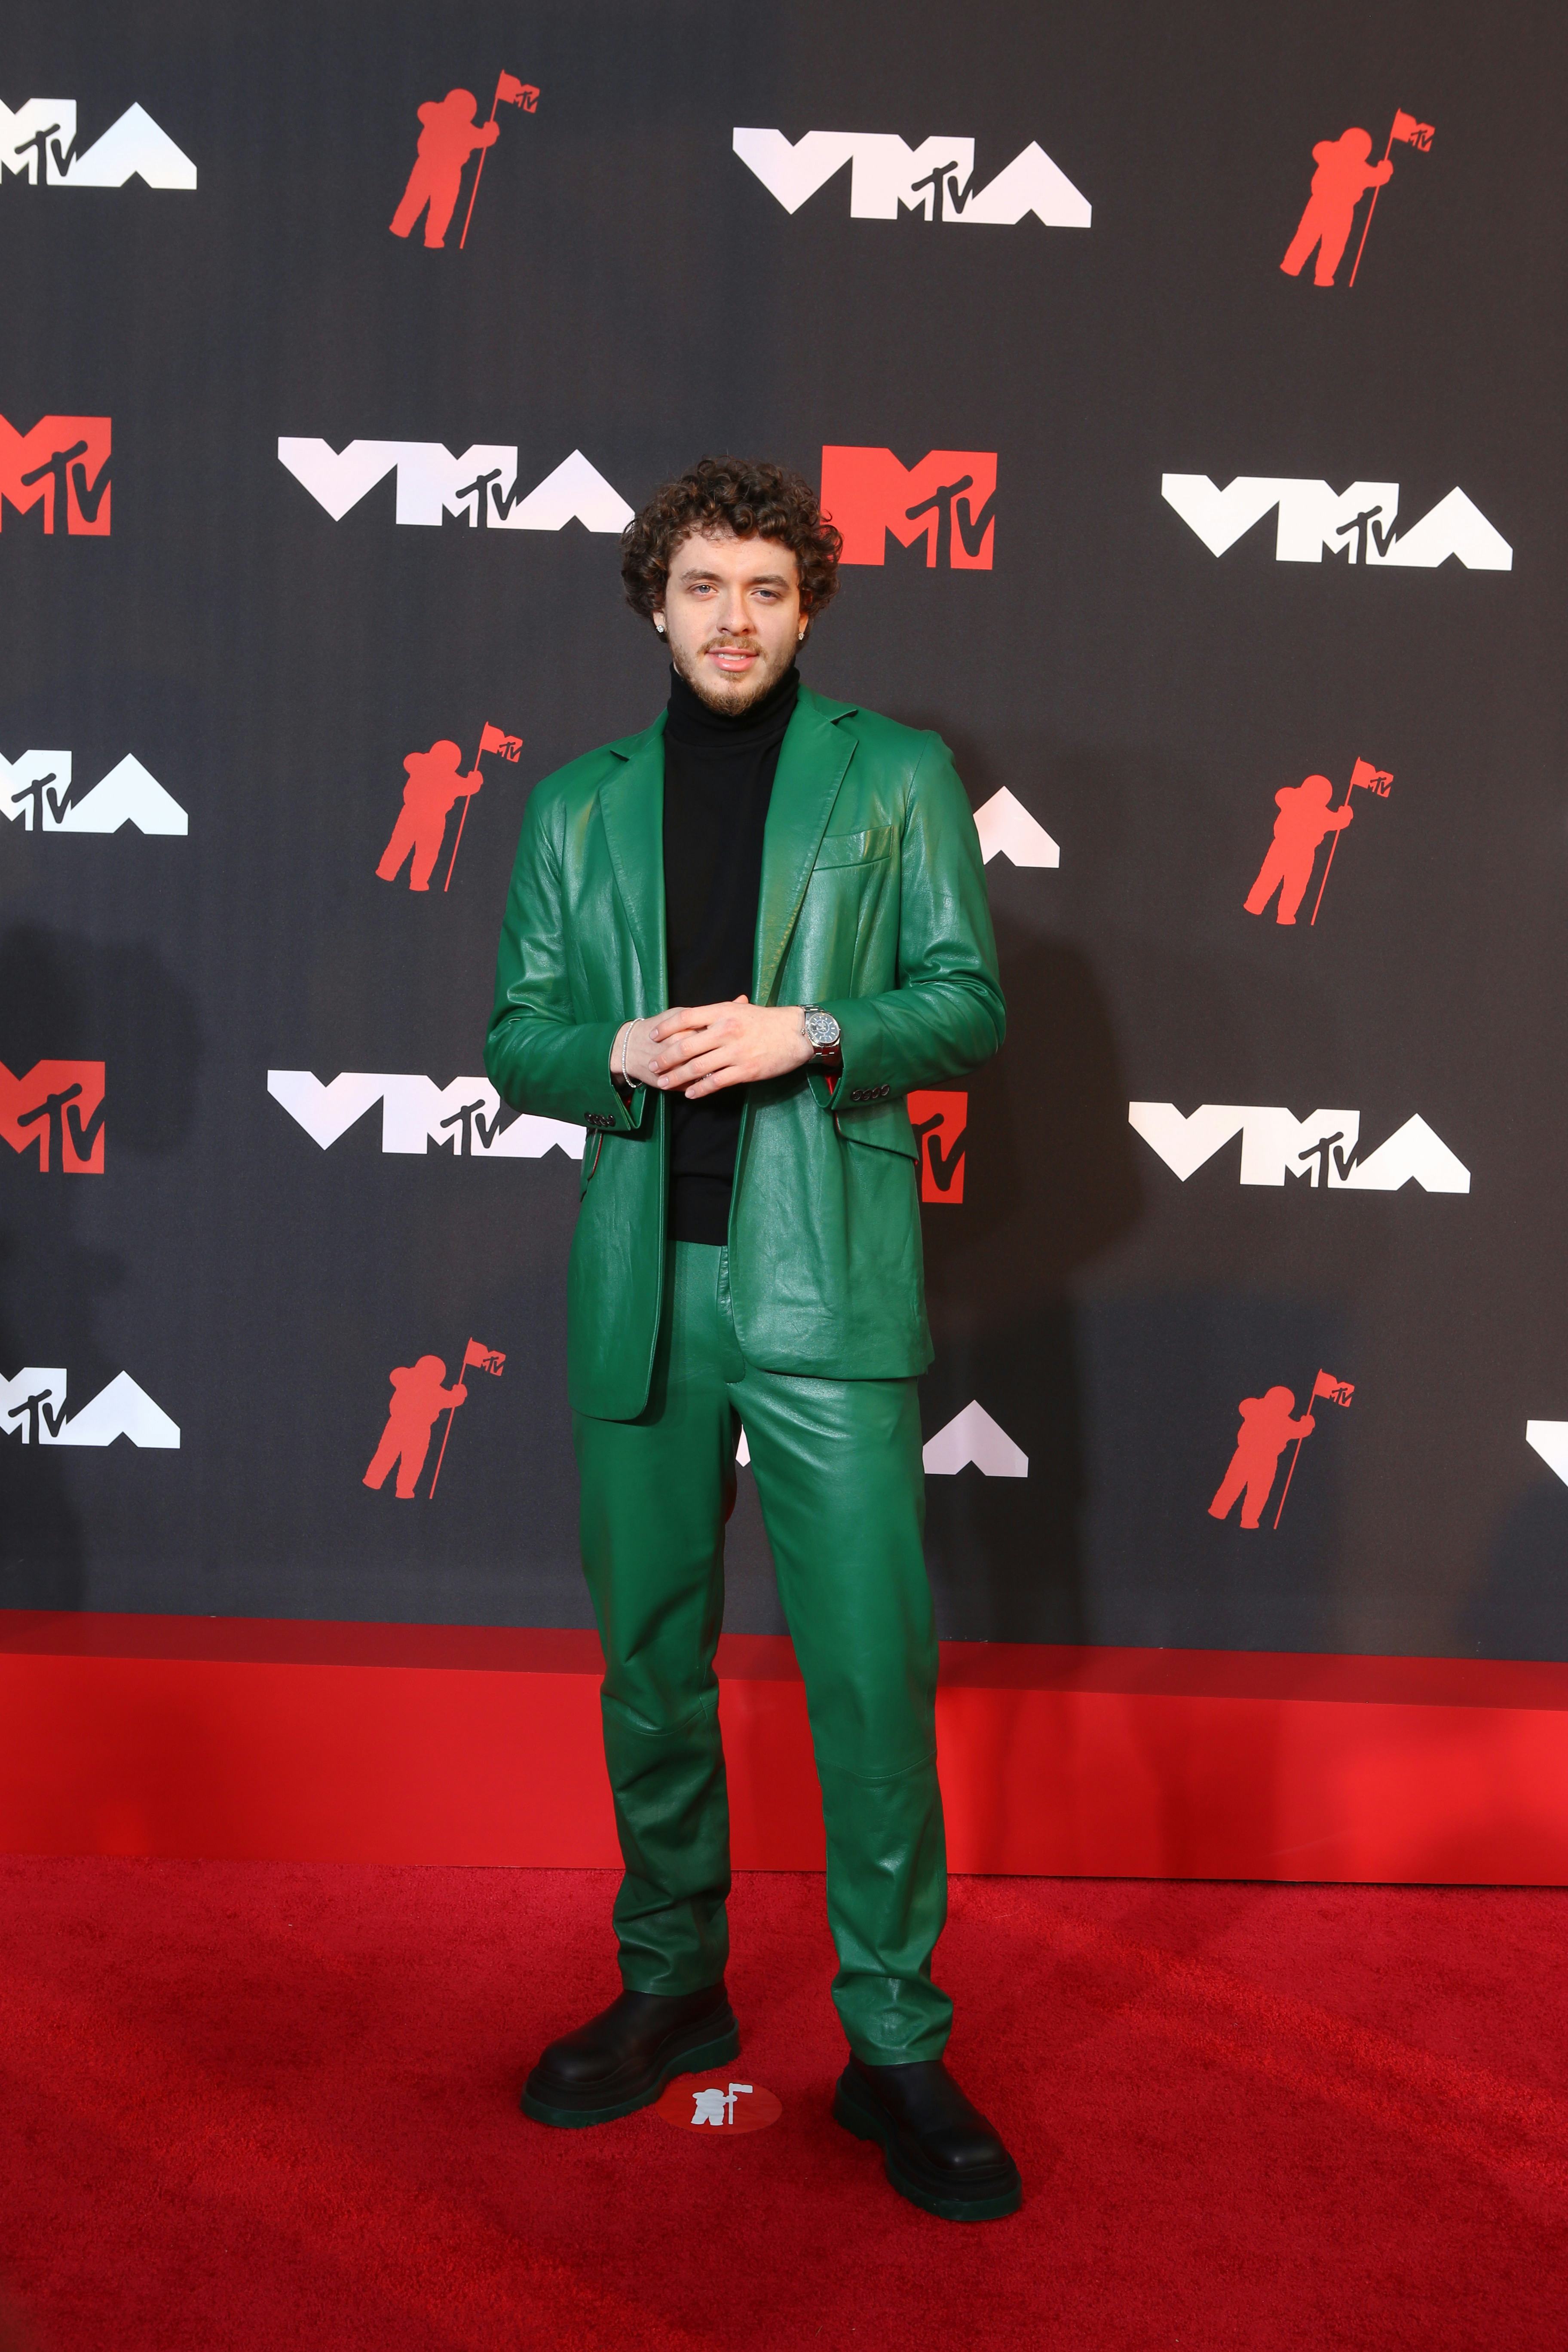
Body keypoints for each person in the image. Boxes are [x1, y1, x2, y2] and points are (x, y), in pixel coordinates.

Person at [485, 456, 1018, 2221]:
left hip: (828, 1276)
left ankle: (894, 2038)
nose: (734, 619)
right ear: (658, 602)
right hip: (641, 1275)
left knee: (869, 1664)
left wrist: (813, 1031)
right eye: (704, 586)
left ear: (810, 608)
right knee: (650, 1655)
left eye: (767, 591)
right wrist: (609, 1058)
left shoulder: (898, 775)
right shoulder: (574, 807)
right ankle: (672, 1982)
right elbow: (518, 1037)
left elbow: (967, 1002)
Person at [1280, 129, 1392, 288]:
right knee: (1330, 245)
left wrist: (1383, 171)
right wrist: (1385, 168)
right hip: (1338, 209)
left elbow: (1318, 149)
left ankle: (1294, 267)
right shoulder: (1358, 167)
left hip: (1325, 204)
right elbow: (1379, 177)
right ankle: (1320, 276)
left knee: (1312, 238)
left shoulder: (1332, 154)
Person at [388, 90, 498, 250]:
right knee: (438, 206)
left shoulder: (438, 116)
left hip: (433, 168)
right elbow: (484, 139)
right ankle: (429, 238)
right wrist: (491, 131)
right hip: (443, 171)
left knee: (423, 202)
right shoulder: (459, 126)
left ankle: (405, 230)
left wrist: (490, 133)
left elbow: (423, 110)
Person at [1244, 772, 1352, 925]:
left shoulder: (1293, 799)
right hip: (1300, 853)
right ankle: (1284, 916)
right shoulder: (1321, 813)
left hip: (1285, 848)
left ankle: (1256, 906)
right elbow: (1339, 822)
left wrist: (1297, 793)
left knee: (1272, 879)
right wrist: (1346, 813)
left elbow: (1280, 795)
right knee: (1293, 886)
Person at [376, 740, 481, 891]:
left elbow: (409, 761)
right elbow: (469, 787)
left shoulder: (422, 766)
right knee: (423, 852)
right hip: (431, 819)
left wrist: (474, 781)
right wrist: (475, 779)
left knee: (405, 846)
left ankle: (389, 873)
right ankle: (416, 882)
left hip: (416, 815)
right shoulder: (447, 777)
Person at [1208, 1387, 1315, 1529]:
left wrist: (1307, 1424)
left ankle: (1231, 1514)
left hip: (1257, 1457)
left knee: (1249, 1490)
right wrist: (1307, 1423)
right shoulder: (1270, 1416)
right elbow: (1301, 1430)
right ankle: (1240, 1517)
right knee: (1249, 1489)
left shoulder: (1261, 1412)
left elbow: (1245, 1406)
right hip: (1256, 1457)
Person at [362, 1356, 466, 1500]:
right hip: (415, 1428)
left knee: (393, 1456)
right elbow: (454, 1399)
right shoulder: (434, 1390)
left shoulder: (409, 1379)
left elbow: (395, 1375)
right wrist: (460, 1392)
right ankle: (401, 1489)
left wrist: (458, 1394)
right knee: (409, 1461)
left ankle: (376, 1481)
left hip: (404, 1425)